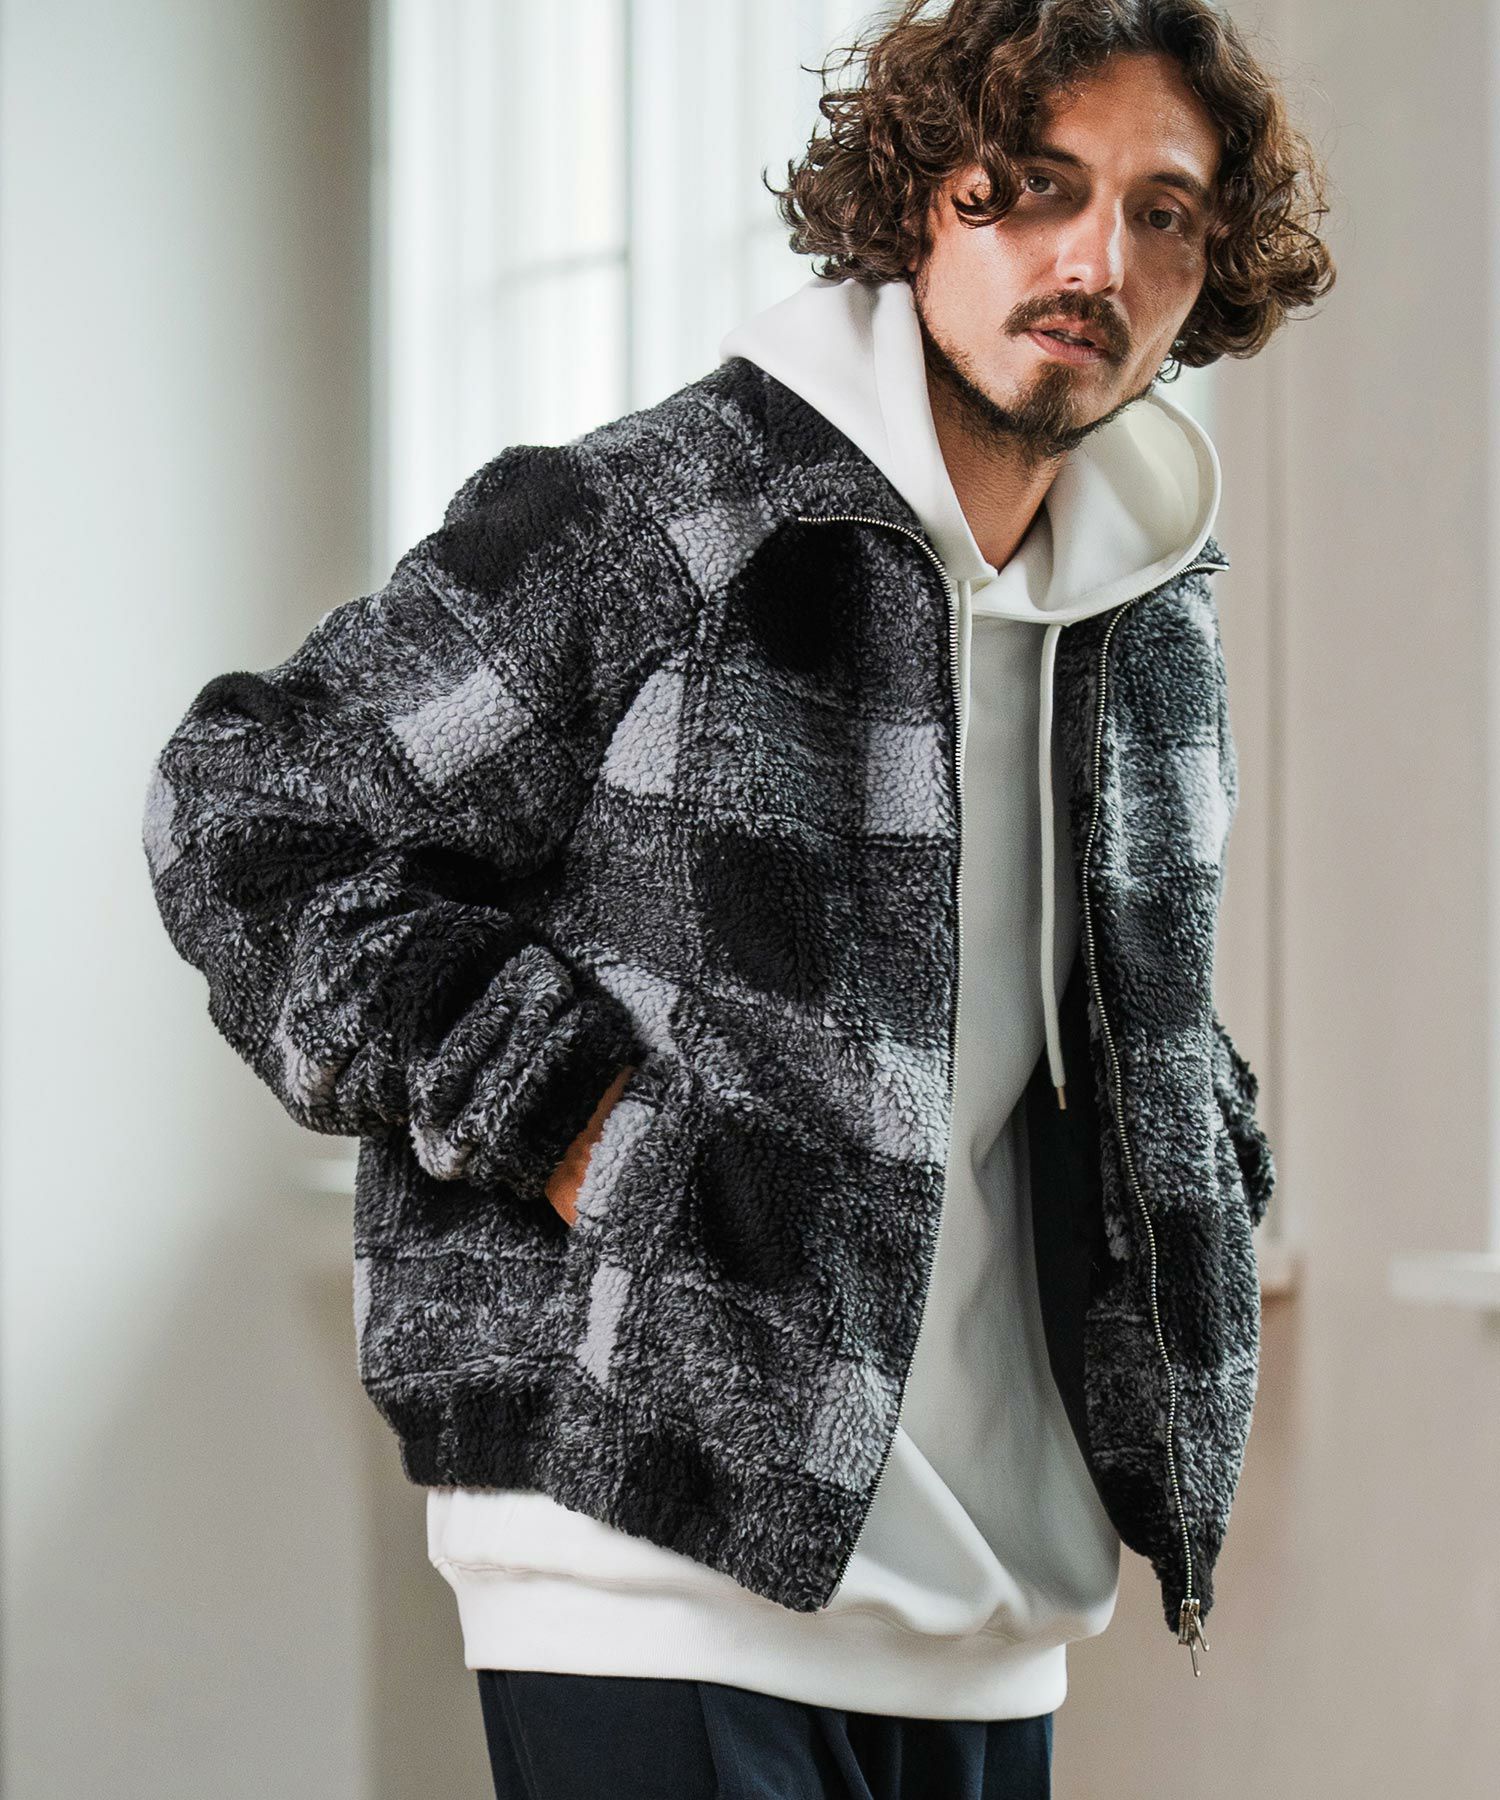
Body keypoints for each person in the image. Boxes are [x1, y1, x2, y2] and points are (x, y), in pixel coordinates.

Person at [141, 1, 1332, 1793]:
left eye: (1162, 212)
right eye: (1038, 185)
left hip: (992, 1597)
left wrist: (1192, 1157)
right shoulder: (672, 516)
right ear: (920, 194)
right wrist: (565, 1115)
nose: (1097, 259)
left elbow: (1069, 1016)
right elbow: (248, 803)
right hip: (650, 1552)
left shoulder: (1147, 614)